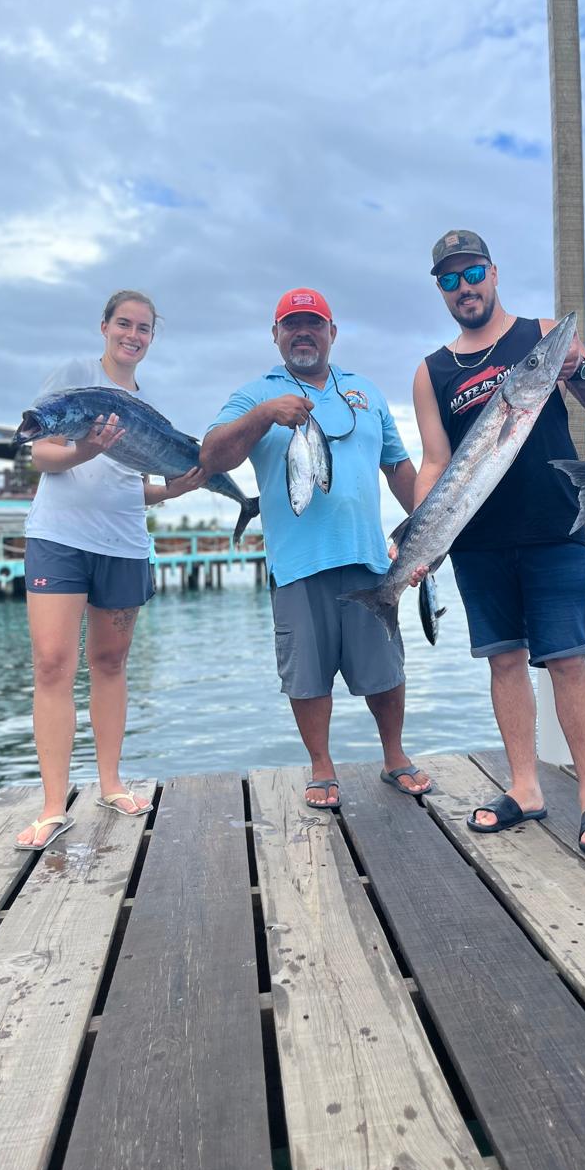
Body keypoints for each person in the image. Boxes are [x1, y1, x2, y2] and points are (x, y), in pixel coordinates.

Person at [410, 229, 585, 853]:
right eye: (449, 279)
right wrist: (421, 537)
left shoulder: (542, 334)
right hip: (477, 541)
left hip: (556, 525)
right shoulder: (432, 372)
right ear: (441, 291)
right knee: (504, 660)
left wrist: (577, 363)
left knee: (568, 659)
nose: (463, 287)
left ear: (494, 273)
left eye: (471, 273)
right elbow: (432, 461)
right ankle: (525, 788)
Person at [200, 288, 429, 809]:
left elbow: (398, 468)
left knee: (385, 669)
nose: (303, 333)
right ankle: (321, 766)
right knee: (306, 674)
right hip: (298, 564)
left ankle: (394, 756)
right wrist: (263, 415)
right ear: (275, 334)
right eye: (291, 325)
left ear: (332, 332)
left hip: (371, 559)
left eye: (314, 324)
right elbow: (211, 456)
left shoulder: (364, 392)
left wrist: (429, 533)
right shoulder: (255, 392)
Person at [16, 290, 208, 850]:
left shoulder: (149, 404)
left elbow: (132, 490)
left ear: (152, 337)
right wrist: (86, 450)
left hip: (123, 542)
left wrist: (172, 489)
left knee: (109, 662)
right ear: (104, 327)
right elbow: (43, 453)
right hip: (58, 538)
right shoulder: (75, 378)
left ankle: (110, 784)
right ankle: (54, 807)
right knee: (53, 663)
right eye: (124, 324)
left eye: (144, 328)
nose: (133, 335)